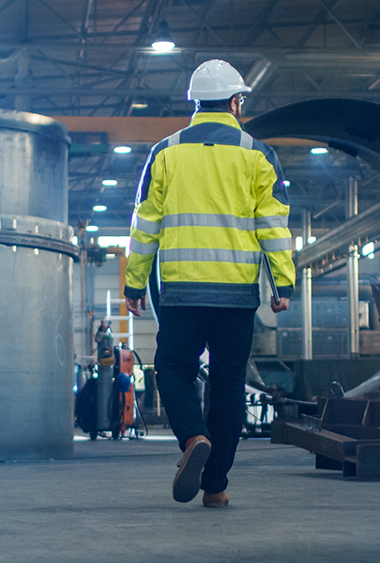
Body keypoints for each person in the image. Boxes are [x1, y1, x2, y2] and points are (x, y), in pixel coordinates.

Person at [124, 59, 295, 508]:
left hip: (181, 291)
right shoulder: (258, 154)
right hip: (237, 294)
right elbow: (273, 226)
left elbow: (145, 226)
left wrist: (134, 285)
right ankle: (215, 486)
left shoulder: (165, 152)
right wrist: (283, 285)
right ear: (236, 102)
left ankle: (192, 438)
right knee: (227, 384)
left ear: (195, 103)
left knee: (173, 370)